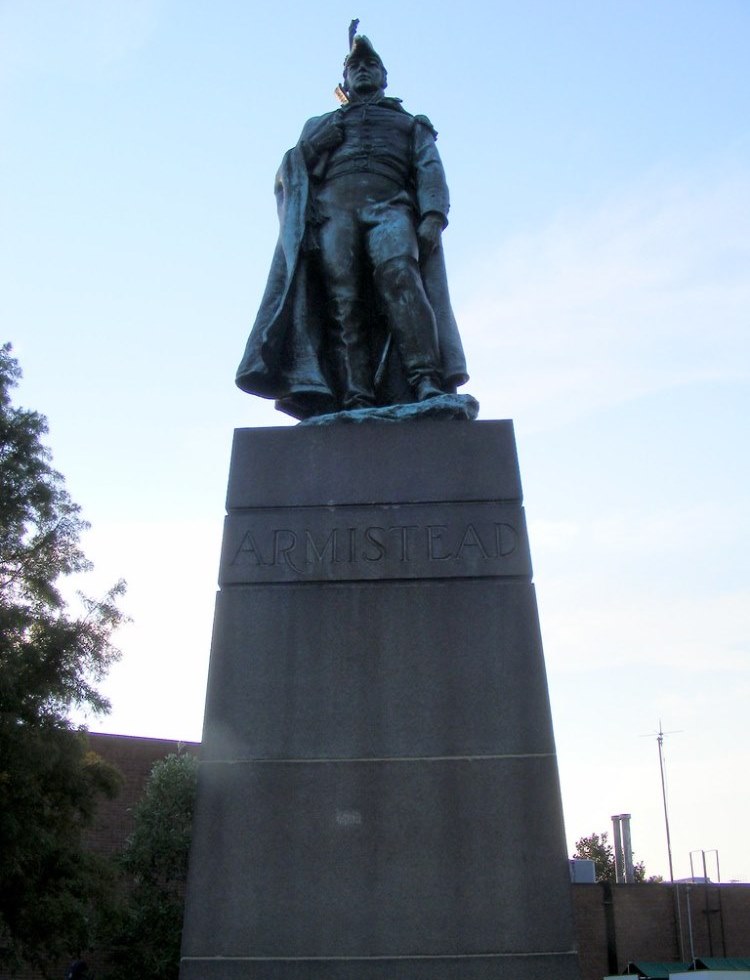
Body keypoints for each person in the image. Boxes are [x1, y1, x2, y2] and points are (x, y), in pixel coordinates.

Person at [236, 25, 468, 420]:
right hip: (333, 214)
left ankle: (426, 379)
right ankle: (355, 395)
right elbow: (287, 175)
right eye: (355, 66)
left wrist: (432, 215)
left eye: (371, 64)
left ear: (383, 76)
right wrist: (314, 145)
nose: (363, 70)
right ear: (344, 78)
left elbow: (429, 167)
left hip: (390, 207)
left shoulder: (410, 124)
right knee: (344, 302)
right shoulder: (319, 124)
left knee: (401, 277)